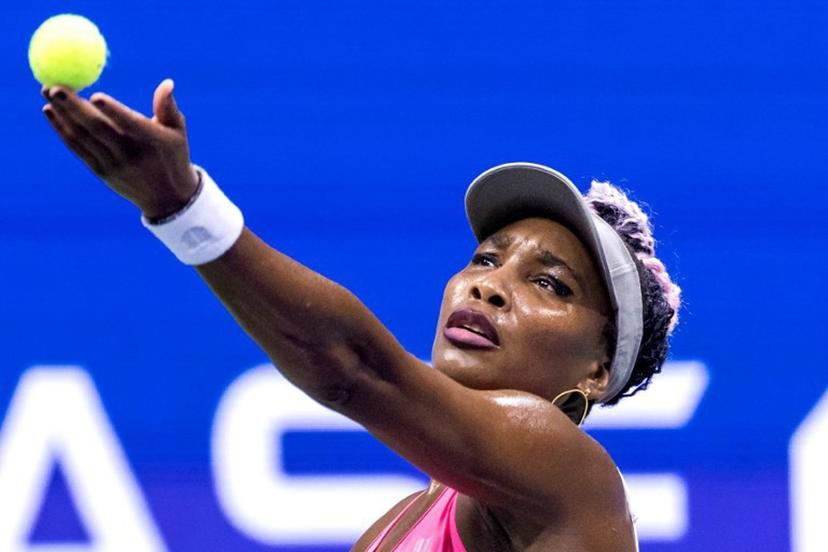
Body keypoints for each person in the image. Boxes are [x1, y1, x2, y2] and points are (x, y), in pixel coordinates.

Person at [40, 79, 681, 551]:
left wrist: (187, 210)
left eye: (549, 283)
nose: (489, 287)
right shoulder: (393, 529)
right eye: (485, 259)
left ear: (598, 369)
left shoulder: (570, 474)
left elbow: (355, 369)